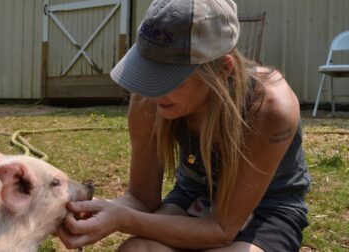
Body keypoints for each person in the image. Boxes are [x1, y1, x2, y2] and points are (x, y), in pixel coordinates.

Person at [57, 0, 311, 251]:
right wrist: (91, 210)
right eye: (148, 72)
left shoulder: (269, 108)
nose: (154, 92)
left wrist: (123, 219)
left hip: (266, 211)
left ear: (223, 69)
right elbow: (141, 199)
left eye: (170, 79)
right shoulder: (149, 98)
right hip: (194, 198)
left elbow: (222, 230)